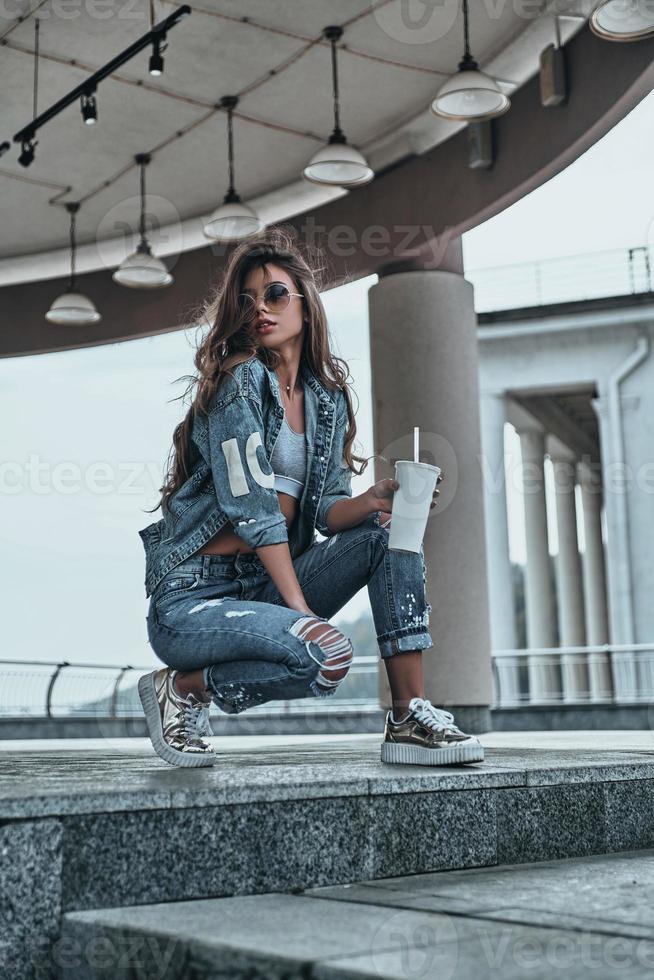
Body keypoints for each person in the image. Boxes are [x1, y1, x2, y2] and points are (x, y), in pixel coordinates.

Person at [136, 226, 484, 769]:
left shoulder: (326, 400)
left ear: (304, 303)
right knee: (322, 656)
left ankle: (409, 714)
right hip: (196, 601)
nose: (261, 310)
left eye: (275, 295)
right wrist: (302, 611)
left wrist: (373, 499)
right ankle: (183, 687)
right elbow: (253, 510)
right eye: (246, 300)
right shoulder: (240, 383)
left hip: (268, 587)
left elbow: (324, 510)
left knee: (390, 530)